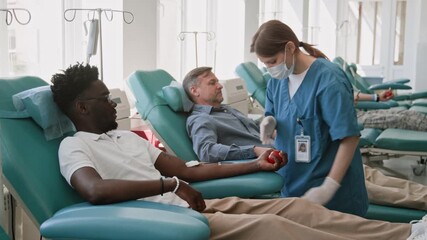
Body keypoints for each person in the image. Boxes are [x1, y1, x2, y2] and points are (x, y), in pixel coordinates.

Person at [50, 62, 427, 240]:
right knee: (273, 227)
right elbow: (94, 190)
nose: (114, 103)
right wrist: (167, 185)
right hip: (159, 218)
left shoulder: (128, 138)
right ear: (81, 107)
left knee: (296, 207)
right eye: (105, 99)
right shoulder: (73, 146)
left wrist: (254, 162)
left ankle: (407, 233)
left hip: (190, 204)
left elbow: (193, 171)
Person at [183, 66, 427, 211]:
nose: (219, 86)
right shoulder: (200, 120)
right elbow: (207, 152)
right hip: (276, 165)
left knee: (365, 172)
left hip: (288, 153)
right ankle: (421, 203)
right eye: (212, 82)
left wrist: (272, 122)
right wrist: (254, 151)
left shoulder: (228, 110)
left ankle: (422, 194)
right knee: (354, 182)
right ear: (195, 91)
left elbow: (258, 127)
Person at [250, 19, 367, 216]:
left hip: (332, 194)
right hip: (292, 185)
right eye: (265, 64)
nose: (270, 69)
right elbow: (273, 113)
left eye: (272, 62)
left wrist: (329, 186)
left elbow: (349, 137)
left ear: (290, 47)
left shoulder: (329, 79)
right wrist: (269, 122)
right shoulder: (276, 83)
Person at [355, 90, 427, 131]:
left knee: (409, 113)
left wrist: (378, 97)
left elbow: (350, 94)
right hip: (351, 120)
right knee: (401, 119)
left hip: (358, 114)